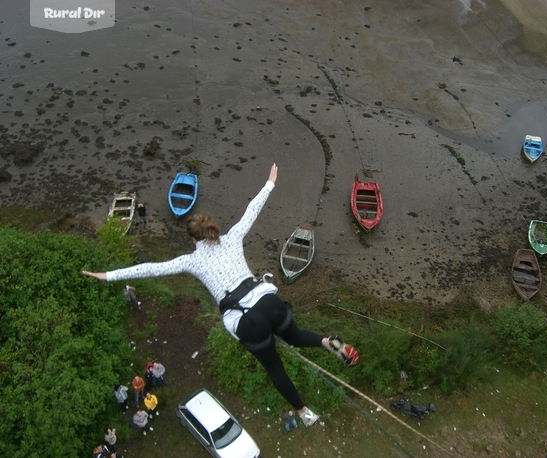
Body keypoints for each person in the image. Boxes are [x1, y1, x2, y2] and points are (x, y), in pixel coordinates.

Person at [83, 164, 359, 427]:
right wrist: (269, 184)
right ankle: (327, 341)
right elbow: (251, 210)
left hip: (244, 320)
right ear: (212, 229)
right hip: (266, 300)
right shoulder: (233, 237)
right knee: (296, 337)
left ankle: (304, 412)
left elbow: (151, 269)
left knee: (275, 369)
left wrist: (108, 275)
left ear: (193, 240)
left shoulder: (191, 261)